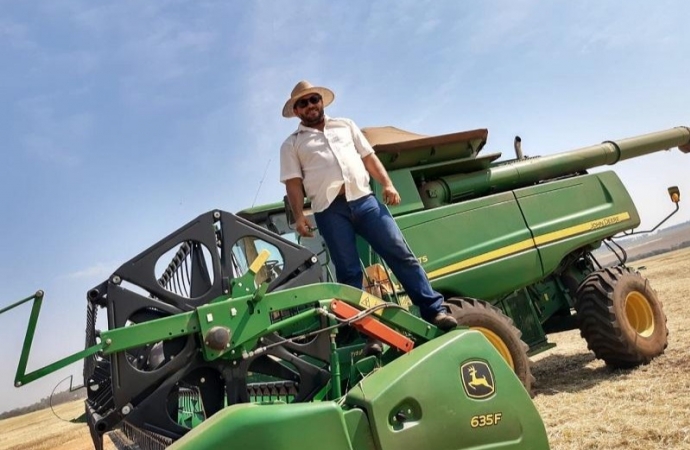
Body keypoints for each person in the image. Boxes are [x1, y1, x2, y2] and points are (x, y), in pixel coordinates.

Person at [279, 80, 458, 344]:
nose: (310, 106)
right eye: (302, 103)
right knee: (349, 273)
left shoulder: (346, 125)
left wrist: (387, 184)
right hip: (329, 211)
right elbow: (293, 183)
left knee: (400, 253)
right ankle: (368, 333)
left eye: (313, 99)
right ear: (296, 111)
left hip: (364, 200)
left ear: (321, 101)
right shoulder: (292, 144)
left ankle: (434, 311)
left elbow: (368, 157)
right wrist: (299, 216)